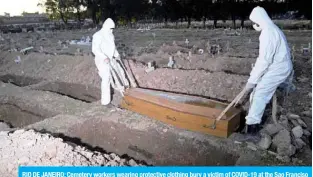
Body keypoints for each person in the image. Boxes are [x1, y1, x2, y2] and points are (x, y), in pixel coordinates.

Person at [240, 6, 294, 141]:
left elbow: (264, 60)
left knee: (259, 94)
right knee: (257, 93)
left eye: (255, 21)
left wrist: (252, 80)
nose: (255, 25)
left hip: (278, 69)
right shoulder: (272, 29)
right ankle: (255, 118)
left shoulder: (268, 33)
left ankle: (252, 131)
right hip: (277, 66)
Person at [92, 18, 129, 106]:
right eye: (110, 29)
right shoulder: (98, 35)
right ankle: (105, 102)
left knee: (120, 71)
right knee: (106, 78)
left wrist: (117, 55)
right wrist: (104, 57)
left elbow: (113, 47)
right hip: (102, 60)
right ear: (106, 27)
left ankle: (125, 89)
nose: (112, 30)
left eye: (113, 29)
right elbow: (95, 49)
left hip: (111, 58)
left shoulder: (111, 35)